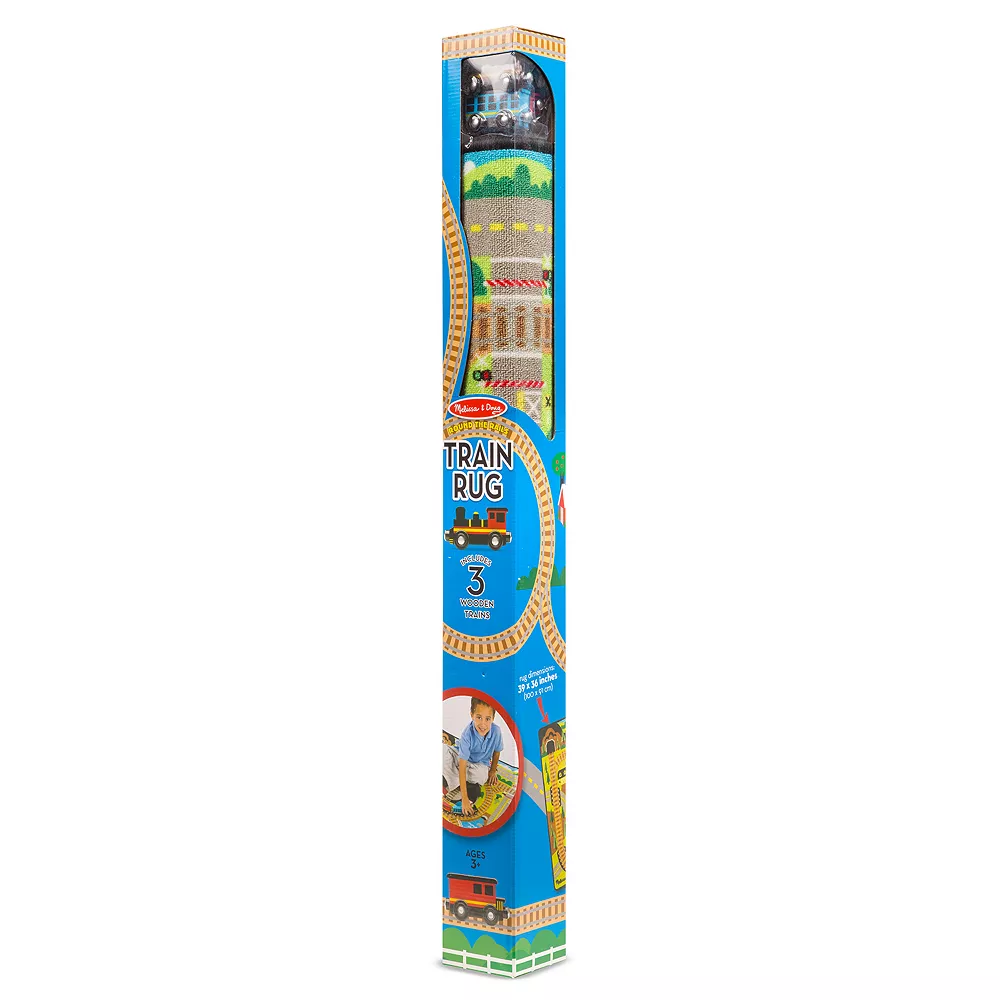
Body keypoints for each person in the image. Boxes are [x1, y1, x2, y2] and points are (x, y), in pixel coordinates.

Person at [443, 697, 503, 816]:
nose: (483, 724)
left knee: (482, 776)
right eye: (479, 717)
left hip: (479, 765)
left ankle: (454, 781)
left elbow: (497, 752)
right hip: (460, 758)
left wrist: (492, 771)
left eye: (487, 719)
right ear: (472, 715)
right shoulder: (467, 734)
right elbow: (462, 765)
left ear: (493, 718)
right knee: (442, 750)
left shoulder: (496, 731)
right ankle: (451, 782)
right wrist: (464, 798)